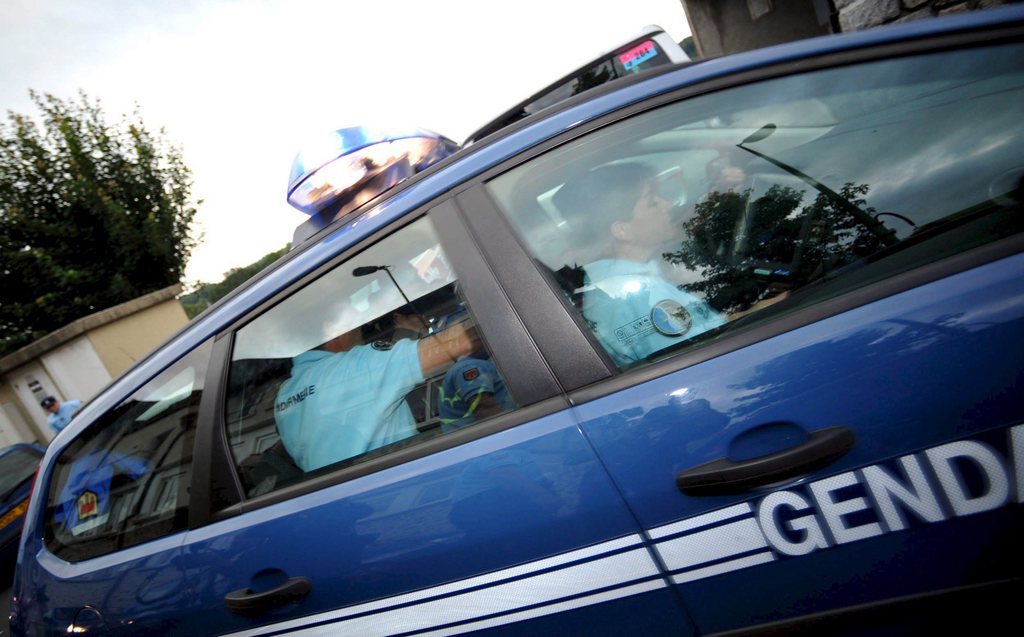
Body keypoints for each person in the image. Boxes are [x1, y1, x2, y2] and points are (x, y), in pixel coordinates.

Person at [555, 162, 726, 367]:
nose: (668, 205)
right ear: (621, 230)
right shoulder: (637, 298)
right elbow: (707, 360)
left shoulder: (620, 282)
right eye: (653, 202)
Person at [274, 308, 479, 472]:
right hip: (400, 485)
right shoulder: (356, 365)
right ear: (332, 331)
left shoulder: (284, 395)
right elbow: (458, 343)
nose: (361, 327)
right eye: (351, 319)